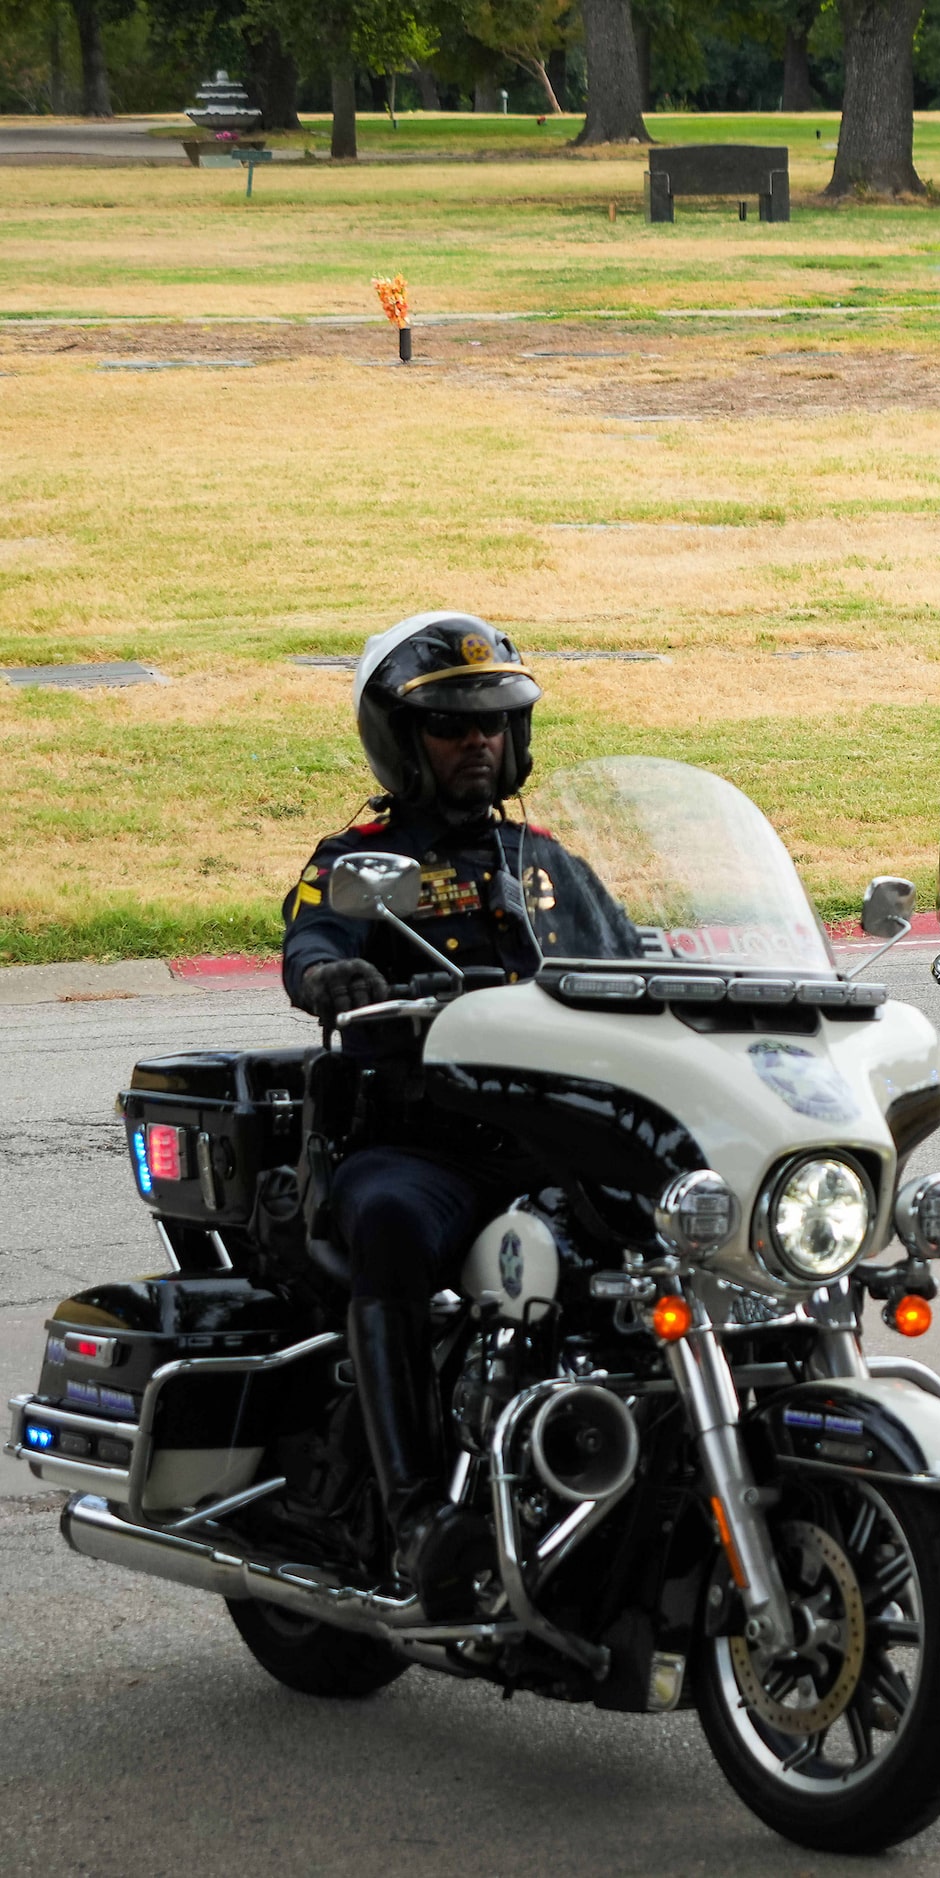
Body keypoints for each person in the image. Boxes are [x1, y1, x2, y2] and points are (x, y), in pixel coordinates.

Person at [280, 611, 636, 1606]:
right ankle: (416, 1511)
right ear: (405, 740)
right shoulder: (364, 859)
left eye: (495, 723)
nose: (478, 740)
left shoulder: (550, 859)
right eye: (452, 726)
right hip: (418, 1145)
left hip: (549, 1140)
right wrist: (334, 975)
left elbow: (635, 953)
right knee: (391, 1226)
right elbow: (308, 943)